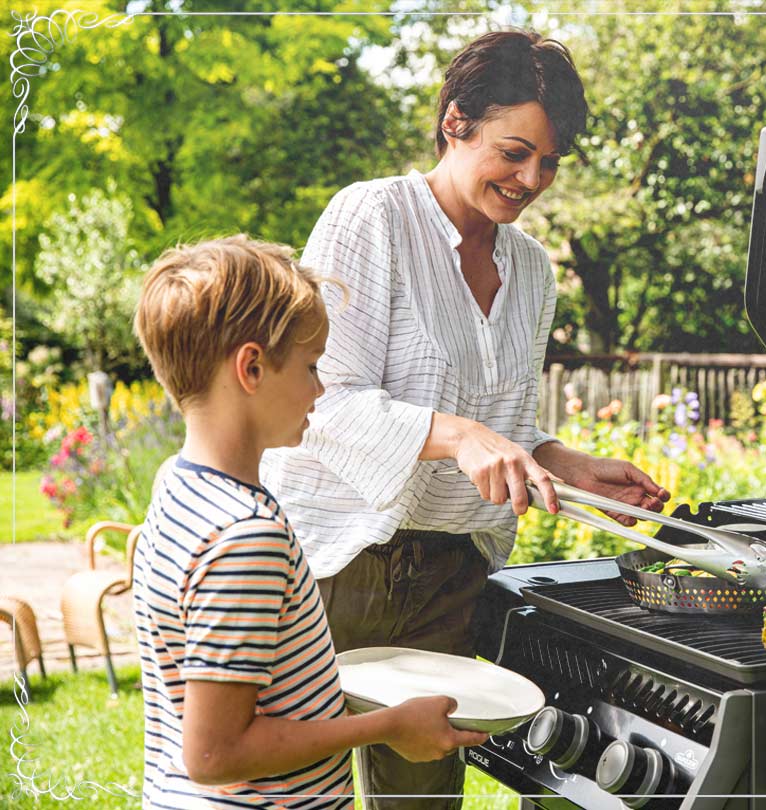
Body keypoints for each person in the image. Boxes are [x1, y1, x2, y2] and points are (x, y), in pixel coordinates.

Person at [260, 29, 668, 809]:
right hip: (339, 559)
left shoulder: (533, 269)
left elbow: (502, 423)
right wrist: (459, 435)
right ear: (455, 123)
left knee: (422, 796)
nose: (531, 179)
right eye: (514, 152)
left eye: (549, 162)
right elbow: (321, 402)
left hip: (450, 571)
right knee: (296, 788)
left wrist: (562, 463)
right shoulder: (372, 217)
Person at [131, 236, 488, 809]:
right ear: (251, 368)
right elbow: (215, 754)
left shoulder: (178, 484)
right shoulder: (246, 538)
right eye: (311, 366)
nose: (320, 389)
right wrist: (389, 726)